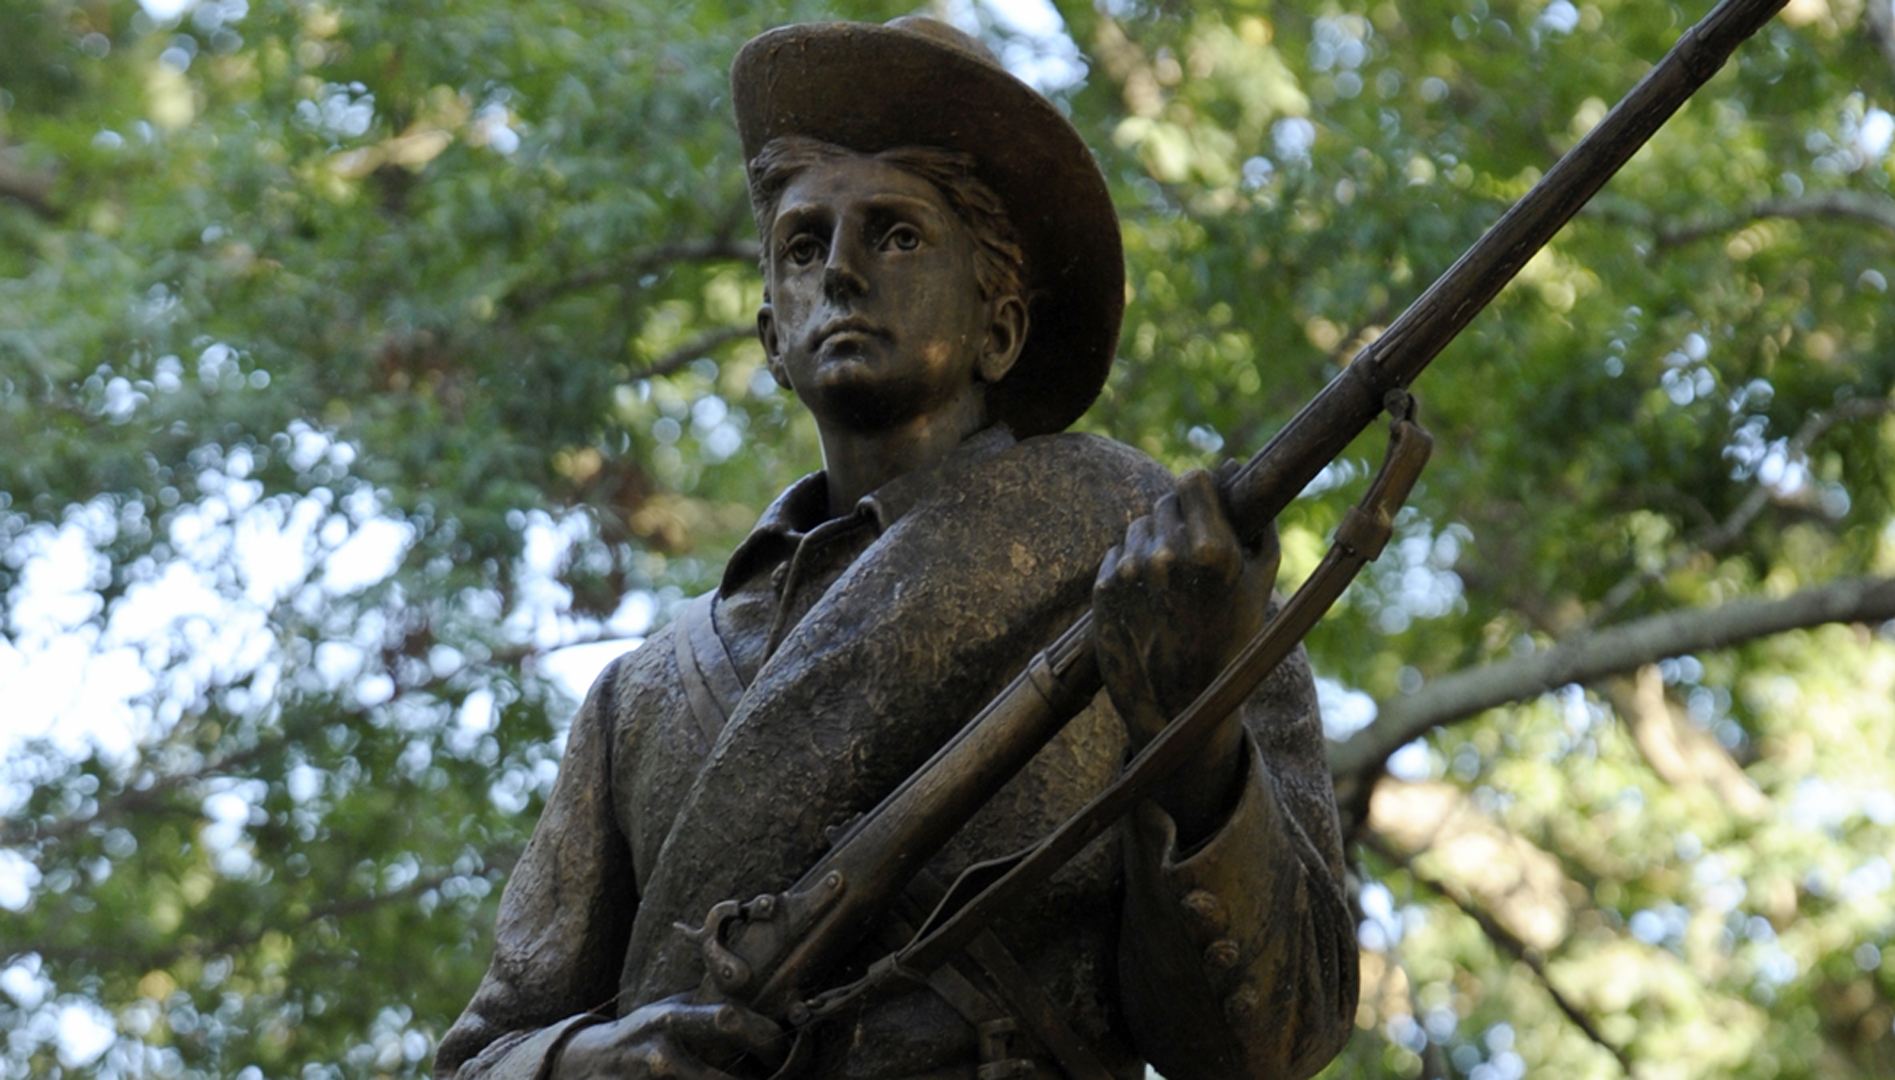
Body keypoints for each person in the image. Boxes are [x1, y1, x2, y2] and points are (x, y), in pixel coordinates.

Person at [435, 18, 1356, 1080]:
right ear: (771, 338)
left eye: (898, 235)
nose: (841, 271)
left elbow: (1278, 1039)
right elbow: (480, 1058)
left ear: (999, 325)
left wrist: (1193, 737)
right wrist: (593, 1060)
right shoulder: (639, 699)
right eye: (802, 244)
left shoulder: (1158, 567)